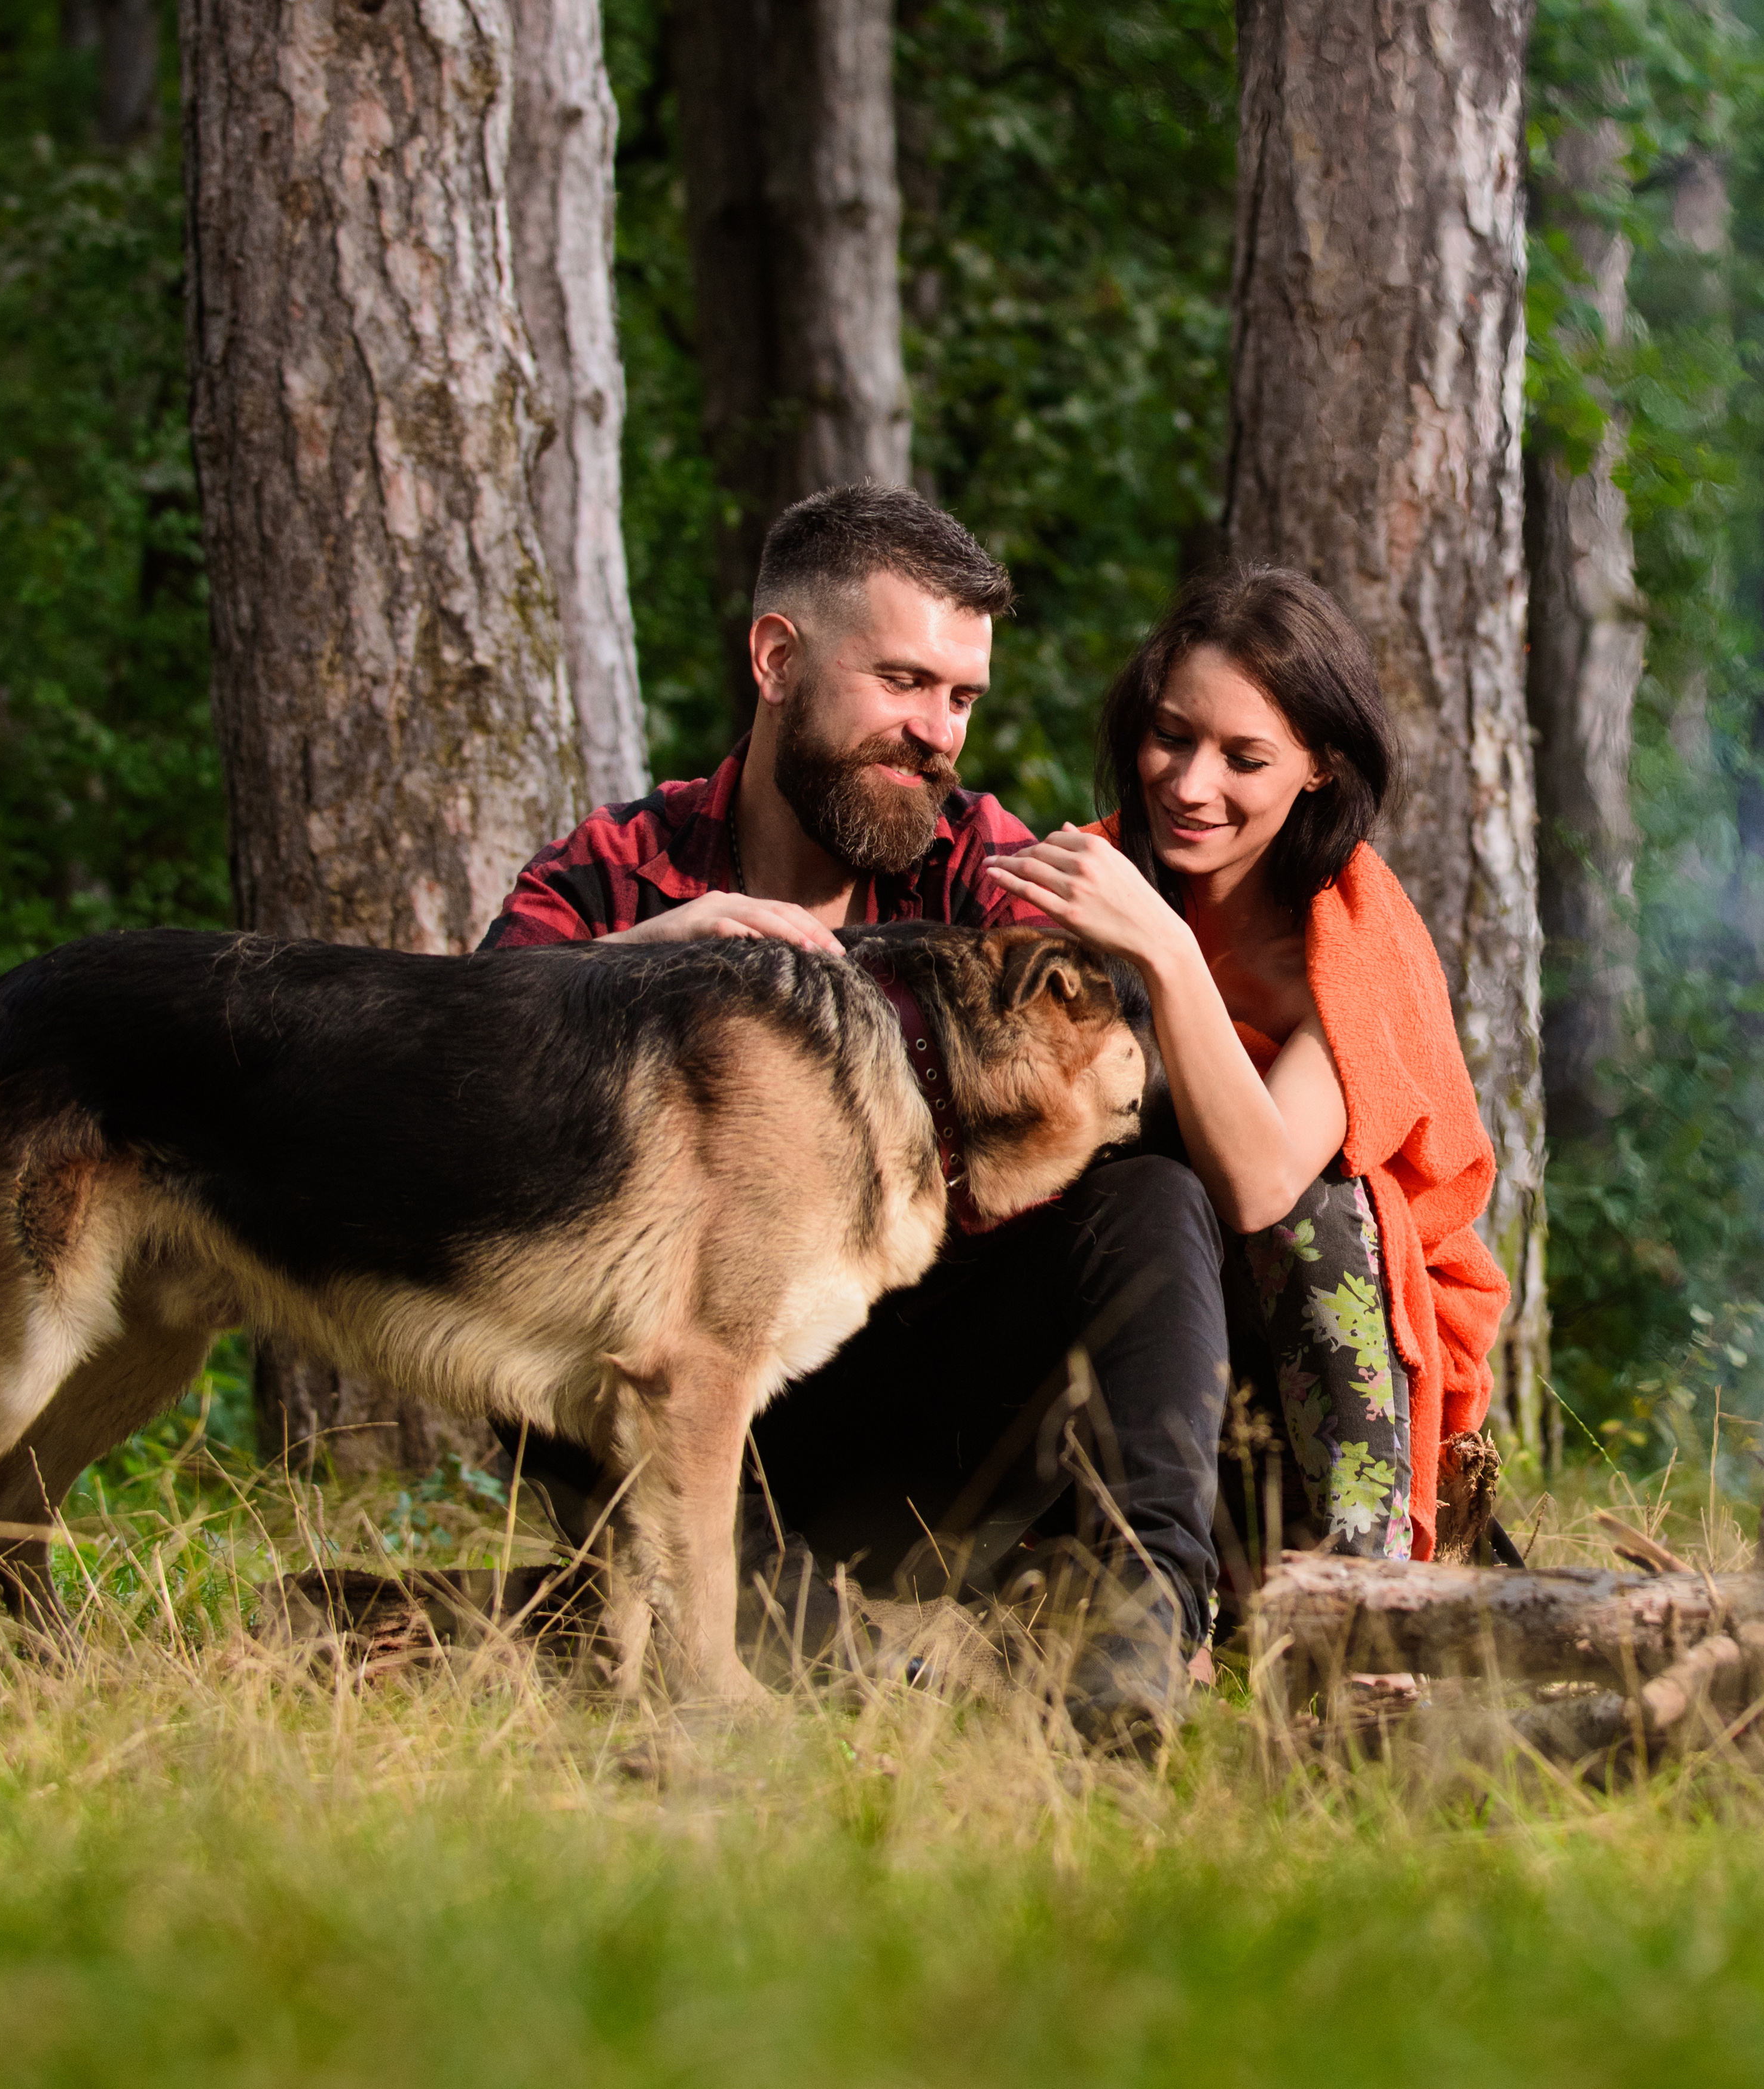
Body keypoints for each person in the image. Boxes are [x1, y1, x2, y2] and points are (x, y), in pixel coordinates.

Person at [477, 486, 1228, 1750]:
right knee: (533, 1262)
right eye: (902, 681)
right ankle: (793, 1639)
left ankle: (1138, 1637)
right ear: (778, 658)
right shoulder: (613, 872)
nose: (937, 732)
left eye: (962, 698)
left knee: (1152, 1196)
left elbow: (1132, 1127)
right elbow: (465, 1090)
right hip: (683, 1417)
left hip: (919, 1392)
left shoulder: (983, 878)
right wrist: (632, 965)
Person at [985, 568, 1509, 1570]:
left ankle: (1367, 1595)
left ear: (1317, 767)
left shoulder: (1352, 933)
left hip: (1323, 1346)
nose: (1189, 784)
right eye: (1172, 735)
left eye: (1244, 758)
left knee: (1324, 1199)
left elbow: (1266, 1185)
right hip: (1128, 1329)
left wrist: (1168, 957)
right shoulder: (1092, 878)